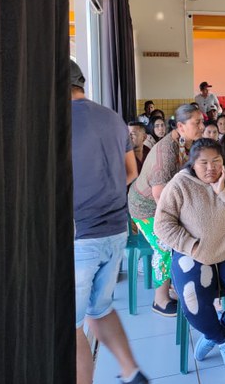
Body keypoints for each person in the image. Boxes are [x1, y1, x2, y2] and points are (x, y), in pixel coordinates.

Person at [154, 139, 225, 374]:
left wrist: (223, 192)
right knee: (193, 302)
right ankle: (223, 342)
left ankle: (215, 331)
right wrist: (191, 247)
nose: (210, 168)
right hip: (192, 253)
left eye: (216, 161)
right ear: (193, 164)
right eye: (203, 162)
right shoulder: (180, 184)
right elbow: (162, 224)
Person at [70, 60, 147, 384]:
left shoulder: (52, 121)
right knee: (99, 309)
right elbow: (132, 172)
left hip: (80, 234)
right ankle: (131, 372)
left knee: (70, 327)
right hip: (115, 230)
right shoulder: (113, 119)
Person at [128, 103, 205, 316]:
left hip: (167, 204)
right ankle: (160, 299)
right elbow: (160, 198)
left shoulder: (187, 144)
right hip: (146, 209)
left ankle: (177, 283)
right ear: (180, 126)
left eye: (202, 121)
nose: (202, 126)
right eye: (196, 123)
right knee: (166, 243)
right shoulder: (166, 153)